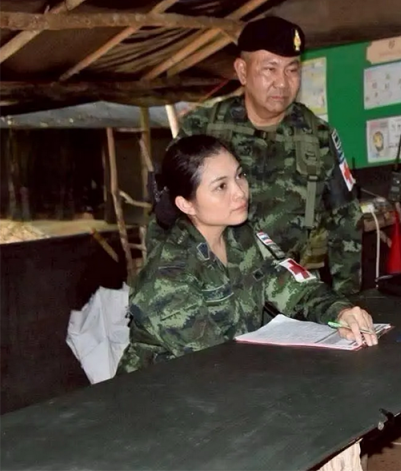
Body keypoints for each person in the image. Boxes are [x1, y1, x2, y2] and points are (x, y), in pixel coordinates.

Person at [118, 136, 377, 373]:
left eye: (239, 175)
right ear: (186, 204)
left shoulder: (242, 236)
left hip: (235, 381)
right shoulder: (167, 276)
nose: (240, 192)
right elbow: (213, 364)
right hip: (161, 397)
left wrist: (340, 312)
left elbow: (295, 287)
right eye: (221, 186)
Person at [147, 16, 363, 296]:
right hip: (219, 293)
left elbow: (345, 220)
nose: (282, 83)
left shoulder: (317, 136)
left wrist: (346, 298)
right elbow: (165, 214)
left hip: (296, 292)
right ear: (242, 71)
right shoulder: (203, 128)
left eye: (292, 70)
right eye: (270, 69)